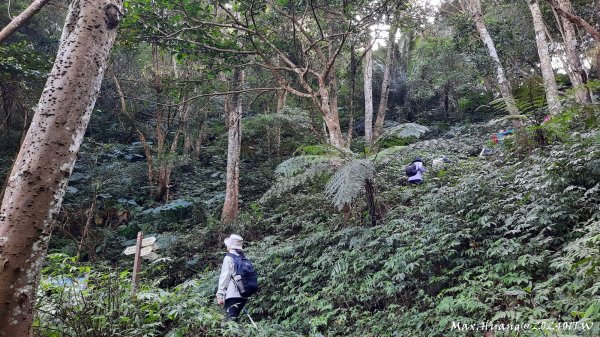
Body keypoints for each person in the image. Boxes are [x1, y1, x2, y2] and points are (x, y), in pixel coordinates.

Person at [216, 234, 247, 321]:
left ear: (230, 246)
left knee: (230, 323)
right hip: (244, 294)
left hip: (232, 295)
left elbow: (224, 277)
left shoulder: (229, 258)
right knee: (233, 320)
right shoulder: (242, 257)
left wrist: (219, 295)